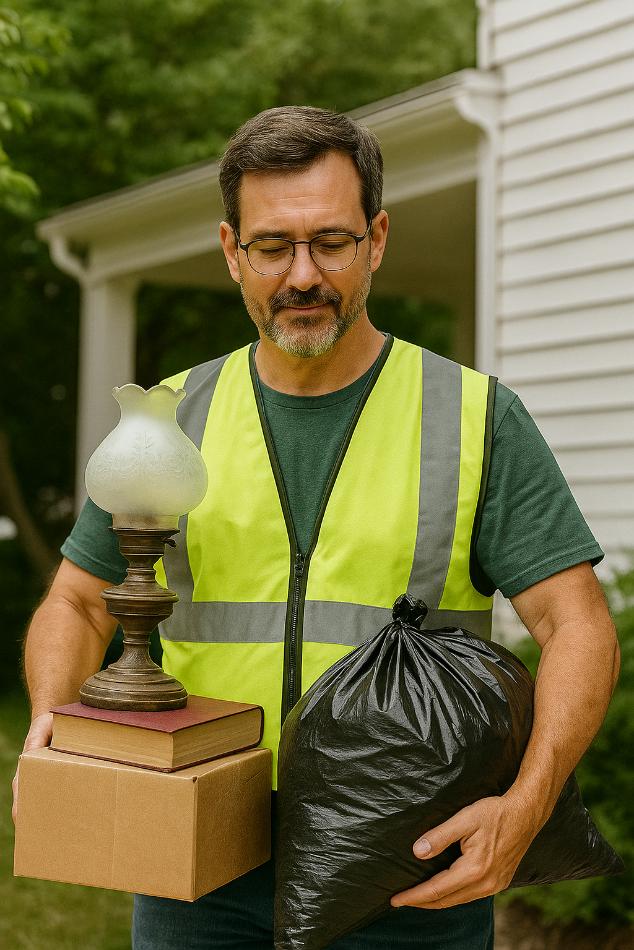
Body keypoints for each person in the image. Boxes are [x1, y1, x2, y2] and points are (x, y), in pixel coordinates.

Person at [14, 106, 619, 950]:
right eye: (273, 246)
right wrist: (52, 715)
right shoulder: (171, 418)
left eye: (331, 242)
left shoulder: (473, 415)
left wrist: (530, 802)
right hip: (195, 866)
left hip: (410, 875)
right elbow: (78, 603)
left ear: (376, 239)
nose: (303, 274)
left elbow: (577, 622)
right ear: (232, 251)